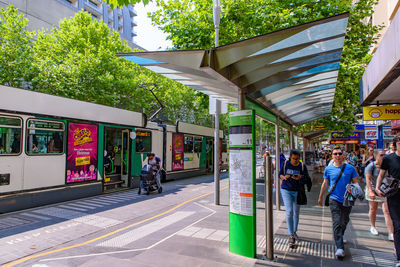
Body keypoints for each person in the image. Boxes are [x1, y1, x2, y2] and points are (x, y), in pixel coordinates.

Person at [318, 146, 359, 259]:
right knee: (336, 221)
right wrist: (321, 197)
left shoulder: (350, 168)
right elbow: (325, 183)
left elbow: (356, 182)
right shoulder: (328, 169)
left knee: (344, 220)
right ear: (332, 156)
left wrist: (356, 191)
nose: (337, 156)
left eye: (339, 153)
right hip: (334, 199)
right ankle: (340, 247)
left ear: (343, 155)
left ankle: (340, 235)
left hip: (347, 199)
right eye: (335, 154)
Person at [279, 149, 312, 248]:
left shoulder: (302, 166)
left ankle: (294, 231)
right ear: (290, 157)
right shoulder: (285, 164)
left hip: (298, 191)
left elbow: (307, 178)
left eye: (297, 159)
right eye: (294, 159)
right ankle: (291, 234)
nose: (295, 161)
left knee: (296, 212)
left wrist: (300, 178)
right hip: (286, 190)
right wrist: (284, 177)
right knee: (289, 212)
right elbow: (279, 174)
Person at [376, 135, 400, 267]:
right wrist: (378, 188)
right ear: (396, 143)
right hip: (394, 195)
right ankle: (399, 257)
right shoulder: (388, 159)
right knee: (398, 225)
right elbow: (381, 174)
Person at [365, 149, 393, 240]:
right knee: (373, 209)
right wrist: (370, 191)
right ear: (375, 156)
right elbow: (368, 180)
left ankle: (391, 232)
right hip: (373, 189)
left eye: (384, 155)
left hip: (385, 191)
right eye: (381, 155)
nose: (383, 157)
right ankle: (372, 226)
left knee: (387, 211)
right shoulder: (371, 166)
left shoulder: (388, 166)